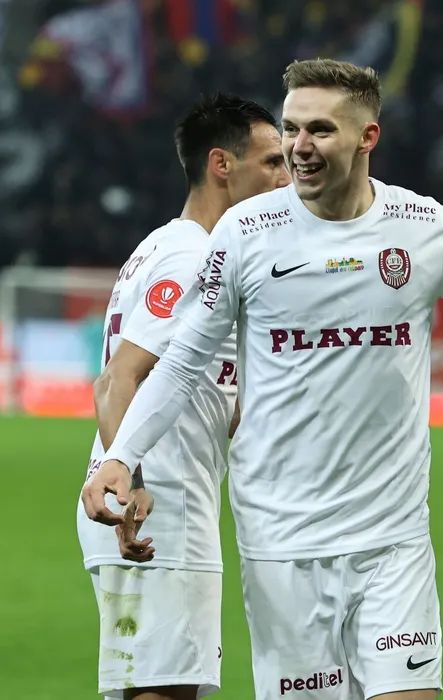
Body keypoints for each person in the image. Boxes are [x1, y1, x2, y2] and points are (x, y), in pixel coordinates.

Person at [81, 58, 443, 700]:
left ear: (367, 136)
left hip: (393, 539)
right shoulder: (245, 234)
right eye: (291, 129)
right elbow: (180, 363)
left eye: (320, 130)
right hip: (281, 545)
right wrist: (121, 457)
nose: (299, 147)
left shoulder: (425, 229)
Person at [76, 92, 290, 700]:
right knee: (166, 691)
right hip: (157, 507)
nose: (286, 177)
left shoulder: (167, 246)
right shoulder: (191, 257)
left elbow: (216, 394)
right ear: (222, 164)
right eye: (271, 162)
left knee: (157, 687)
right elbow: (116, 379)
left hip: (159, 503)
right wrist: (133, 481)